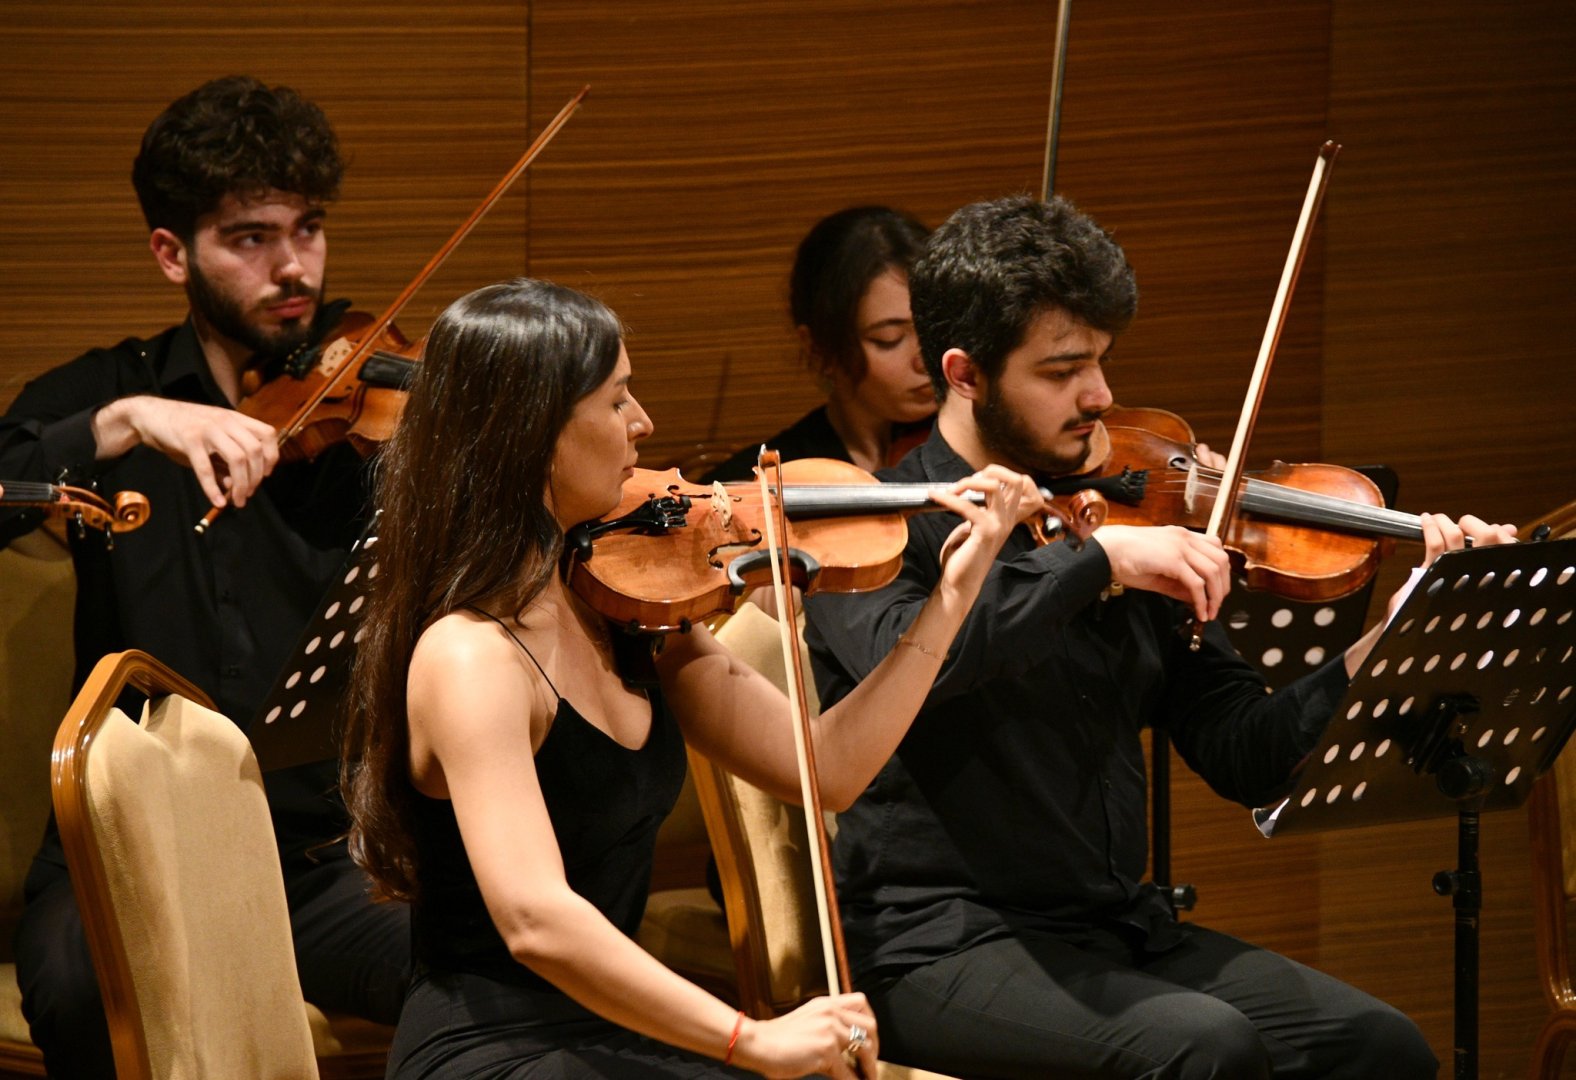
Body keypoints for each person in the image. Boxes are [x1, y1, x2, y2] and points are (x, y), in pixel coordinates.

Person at [802, 194, 1518, 1080]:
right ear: (966, 372)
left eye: (1102, 360)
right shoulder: (873, 528)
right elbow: (931, 656)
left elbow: (1242, 750)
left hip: (1113, 929)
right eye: (1062, 370)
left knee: (1378, 1049)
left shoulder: (1128, 508)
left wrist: (1388, 645)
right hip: (940, 947)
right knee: (1202, 1050)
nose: (1099, 396)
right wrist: (1094, 564)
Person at [342, 277, 1039, 1078]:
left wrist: (950, 602)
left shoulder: (631, 613)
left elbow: (831, 768)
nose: (644, 425)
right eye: (616, 401)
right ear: (531, 435)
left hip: (610, 1038)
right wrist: (755, 1039)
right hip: (495, 1054)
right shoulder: (471, 656)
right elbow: (535, 918)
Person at [0, 75, 410, 1076]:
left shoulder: (366, 407)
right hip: (131, 856)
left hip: (318, 861)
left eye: (307, 230)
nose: (293, 267)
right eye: (251, 238)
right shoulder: (103, 396)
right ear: (171, 253)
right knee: (75, 985)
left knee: (492, 966)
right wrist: (132, 423)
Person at [704, 205, 934, 482]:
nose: (925, 358)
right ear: (818, 347)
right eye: (889, 339)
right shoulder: (767, 480)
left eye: (935, 326)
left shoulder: (986, 446)